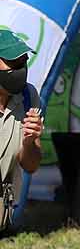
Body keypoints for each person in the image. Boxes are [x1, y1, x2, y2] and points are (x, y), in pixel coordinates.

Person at [0, 28, 44, 230]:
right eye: (12, 63)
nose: (20, 69)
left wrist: (30, 141)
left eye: (23, 62)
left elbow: (30, 165)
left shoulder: (29, 96)